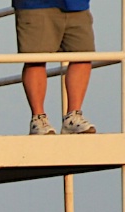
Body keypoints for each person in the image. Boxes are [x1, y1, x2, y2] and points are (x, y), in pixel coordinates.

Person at [13, 0, 96, 135]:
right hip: (35, 5)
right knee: (35, 59)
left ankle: (73, 117)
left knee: (83, 55)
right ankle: (38, 118)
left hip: (77, 5)